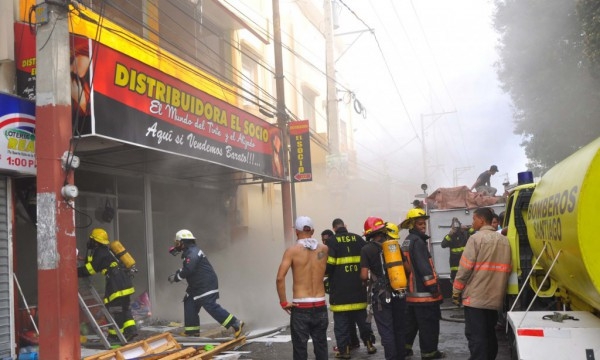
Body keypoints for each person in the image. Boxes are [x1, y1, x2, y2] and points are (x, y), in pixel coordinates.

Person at [452, 207, 511, 360]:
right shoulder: (504, 241)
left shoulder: (476, 239)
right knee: (489, 334)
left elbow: (465, 268)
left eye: (474, 219)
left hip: (476, 298)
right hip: (494, 299)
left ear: (481, 220)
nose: (472, 222)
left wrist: (456, 291)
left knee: (476, 336)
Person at [167, 229, 244, 338]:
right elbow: (189, 267)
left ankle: (236, 323)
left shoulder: (192, 253)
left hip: (205, 284)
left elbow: (189, 269)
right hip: (197, 286)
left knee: (210, 305)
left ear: (183, 242)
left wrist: (176, 277)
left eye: (178, 243)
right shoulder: (190, 252)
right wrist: (179, 272)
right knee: (189, 302)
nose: (177, 245)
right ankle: (192, 332)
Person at [276, 216, 329, 360]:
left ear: (296, 232)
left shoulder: (292, 251)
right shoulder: (323, 250)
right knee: (321, 346)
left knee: (300, 348)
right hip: (320, 304)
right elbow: (322, 267)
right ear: (313, 230)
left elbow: (280, 278)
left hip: (301, 306)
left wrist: (283, 302)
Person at [327, 218, 376, 358]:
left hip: (340, 292)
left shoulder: (332, 241)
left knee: (341, 323)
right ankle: (369, 344)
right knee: (362, 319)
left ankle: (344, 351)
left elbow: (329, 265)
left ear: (334, 229)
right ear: (345, 226)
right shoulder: (358, 239)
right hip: (358, 288)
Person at [77, 228, 138, 342]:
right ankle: (131, 331)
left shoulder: (99, 252)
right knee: (125, 307)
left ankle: (114, 336)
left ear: (95, 241)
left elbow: (91, 269)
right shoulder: (106, 251)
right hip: (124, 280)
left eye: (91, 239)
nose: (89, 242)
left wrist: (75, 271)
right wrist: (83, 259)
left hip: (115, 282)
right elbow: (97, 262)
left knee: (114, 309)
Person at [400, 209, 446, 359]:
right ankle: (429, 352)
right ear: (412, 224)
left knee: (410, 325)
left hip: (411, 295)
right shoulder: (418, 242)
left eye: (424, 223)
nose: (423, 226)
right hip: (424, 296)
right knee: (429, 326)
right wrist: (434, 288)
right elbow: (424, 268)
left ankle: (404, 349)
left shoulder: (407, 240)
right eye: (419, 223)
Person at [360, 217, 406, 360]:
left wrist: (367, 280)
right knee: (399, 328)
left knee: (387, 330)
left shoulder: (366, 249)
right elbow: (408, 268)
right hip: (399, 291)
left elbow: (363, 275)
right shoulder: (395, 246)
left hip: (381, 296)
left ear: (369, 233)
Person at [441, 217, 475, 282]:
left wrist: (467, 228)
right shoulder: (450, 236)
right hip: (455, 267)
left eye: (457, 226)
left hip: (466, 265)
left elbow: (475, 234)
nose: (456, 228)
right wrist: (449, 235)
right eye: (454, 227)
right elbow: (443, 245)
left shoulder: (465, 233)